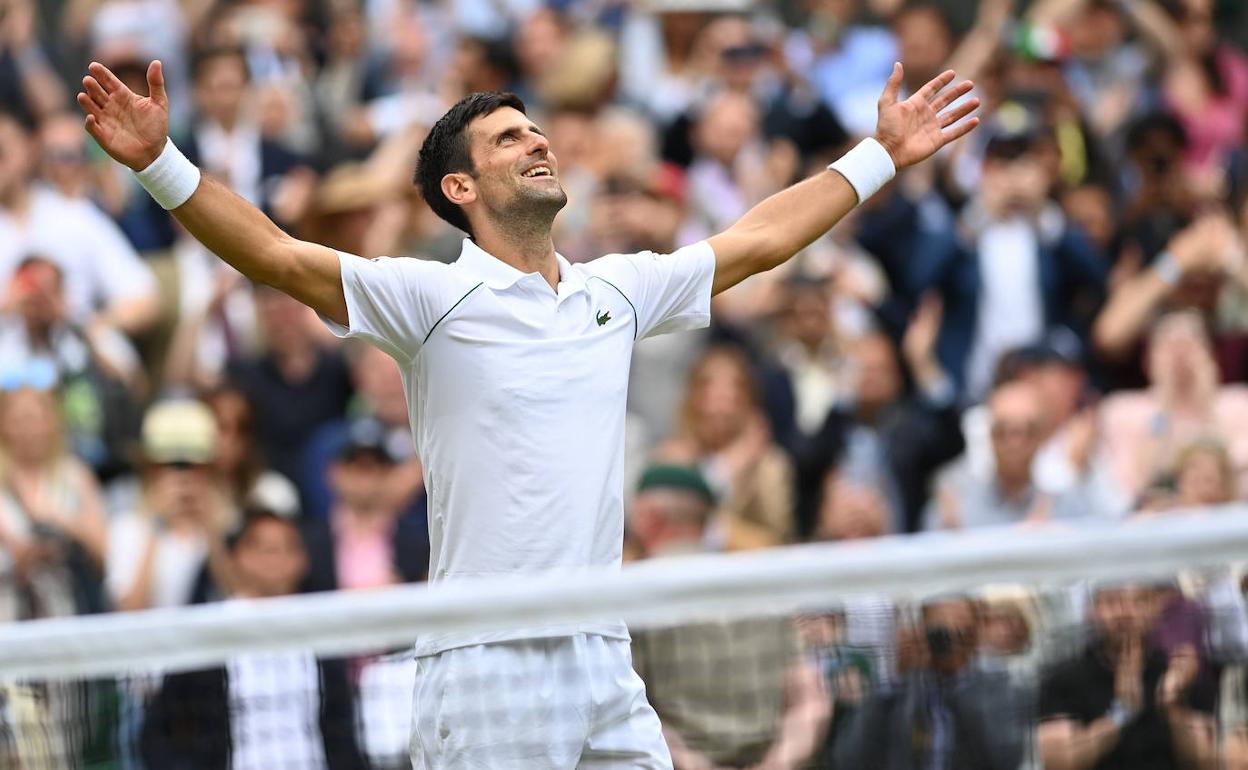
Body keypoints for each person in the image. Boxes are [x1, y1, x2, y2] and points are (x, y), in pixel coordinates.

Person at [76, 52, 978, 766]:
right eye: (508, 139)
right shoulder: (426, 300)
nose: (537, 141)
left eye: (536, 130)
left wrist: (880, 155)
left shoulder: (617, 291)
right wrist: (159, 161)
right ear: (460, 190)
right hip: (483, 665)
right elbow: (277, 255)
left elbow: (759, 238)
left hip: (600, 651)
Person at [628, 464, 831, 770]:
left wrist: (697, 765)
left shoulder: (633, 594)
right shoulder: (759, 589)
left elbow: (630, 710)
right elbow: (812, 701)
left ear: (648, 519)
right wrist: (777, 763)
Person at [140, 510, 368, 770]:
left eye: (285, 547)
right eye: (261, 547)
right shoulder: (207, 634)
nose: (274, 557)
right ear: (235, 557)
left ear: (302, 560)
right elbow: (157, 734)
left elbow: (343, 734)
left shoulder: (323, 639)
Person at [831, 595, 1029, 770]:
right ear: (921, 630)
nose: (945, 641)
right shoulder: (902, 692)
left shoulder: (999, 685)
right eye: (937, 631)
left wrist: (959, 677)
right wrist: (897, 680)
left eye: (959, 629)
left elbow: (1005, 758)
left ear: (974, 633)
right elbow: (849, 759)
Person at [1037, 582, 1218, 770]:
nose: (1125, 612)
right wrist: (1121, 714)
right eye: (1112, 602)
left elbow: (1206, 762)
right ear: (1093, 610)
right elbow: (1058, 763)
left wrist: (1172, 706)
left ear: (1155, 610)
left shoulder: (1178, 673)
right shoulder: (1063, 678)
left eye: (1139, 602)